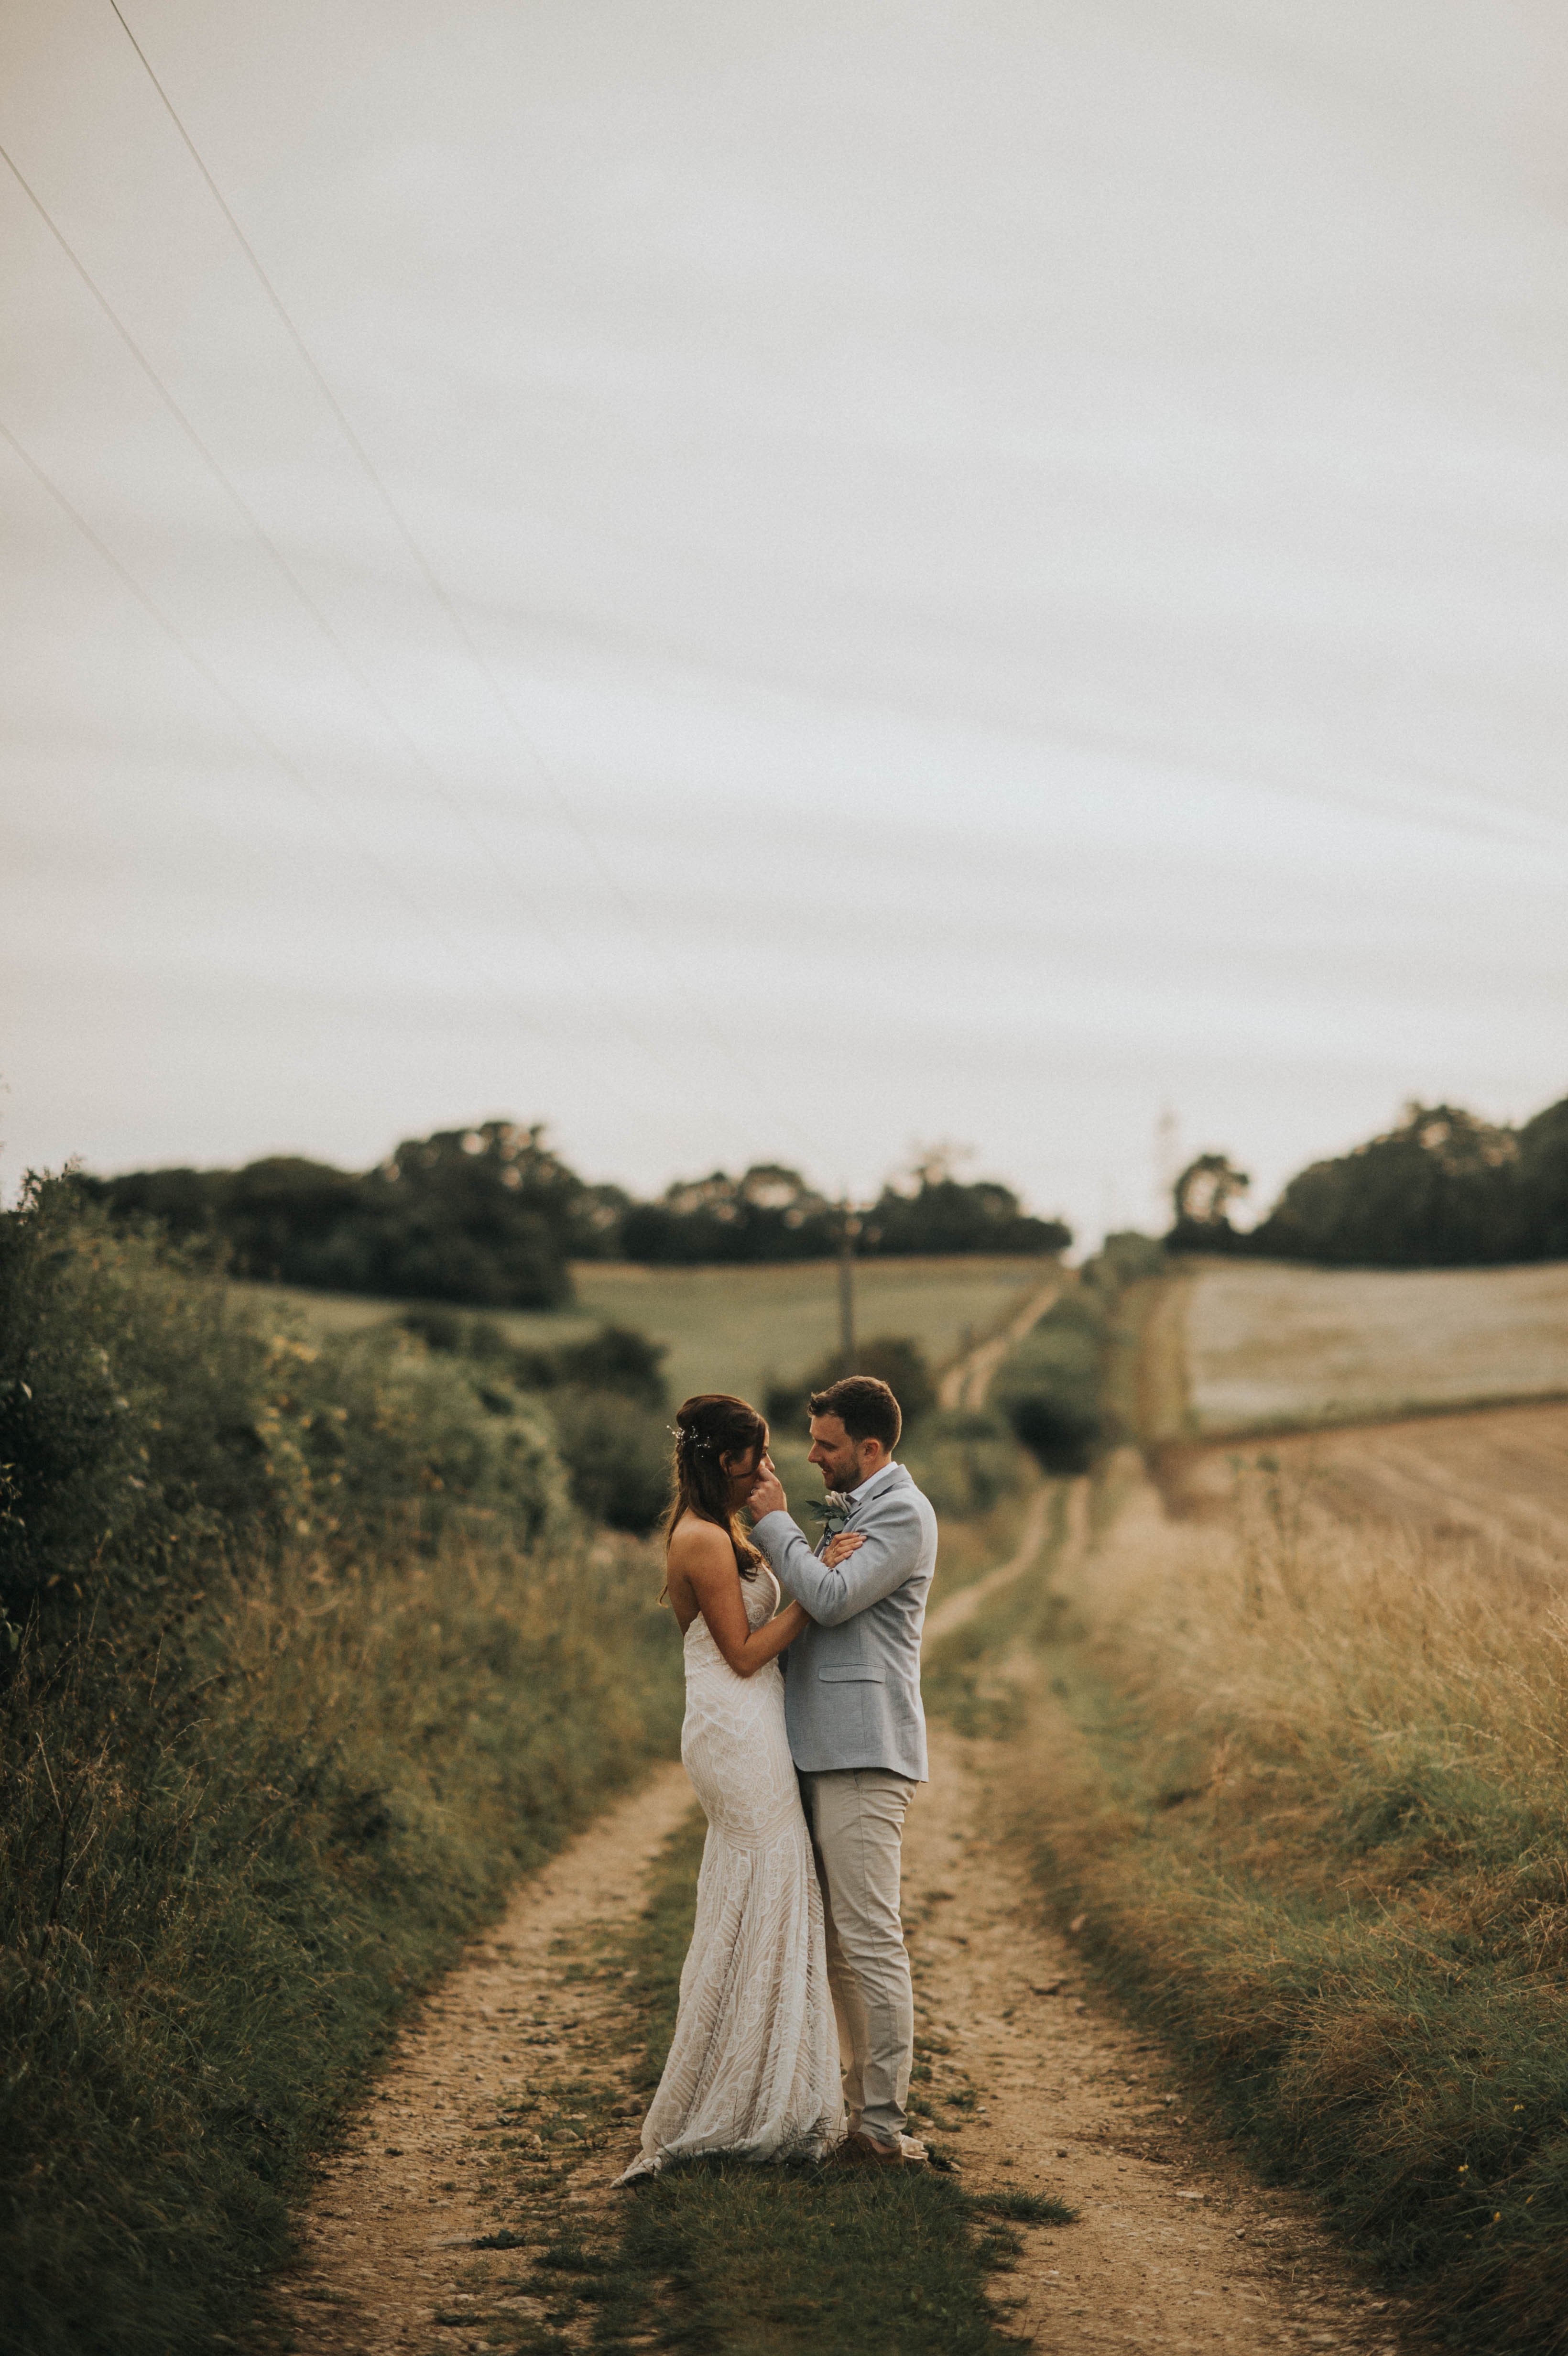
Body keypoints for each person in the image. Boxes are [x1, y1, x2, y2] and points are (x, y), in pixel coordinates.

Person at [614, 1393, 845, 2182]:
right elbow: (744, 1654)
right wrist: (816, 1602)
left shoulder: (724, 1532)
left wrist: (797, 1553)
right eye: (761, 1458)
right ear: (725, 1462)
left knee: (771, 1884)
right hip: (734, 1722)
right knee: (768, 1878)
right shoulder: (705, 1541)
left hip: (747, 1721)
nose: (771, 1470)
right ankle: (737, 2097)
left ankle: (762, 2083)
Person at [745, 1374, 938, 2166]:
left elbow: (826, 1601)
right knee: (839, 1946)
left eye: (828, 1445)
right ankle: (853, 2117)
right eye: (814, 1441)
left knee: (871, 1939)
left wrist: (776, 1524)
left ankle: (884, 2128)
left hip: (864, 1750)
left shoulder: (900, 1512)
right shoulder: (855, 1508)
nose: (813, 1457)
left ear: (872, 1447)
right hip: (823, 1746)